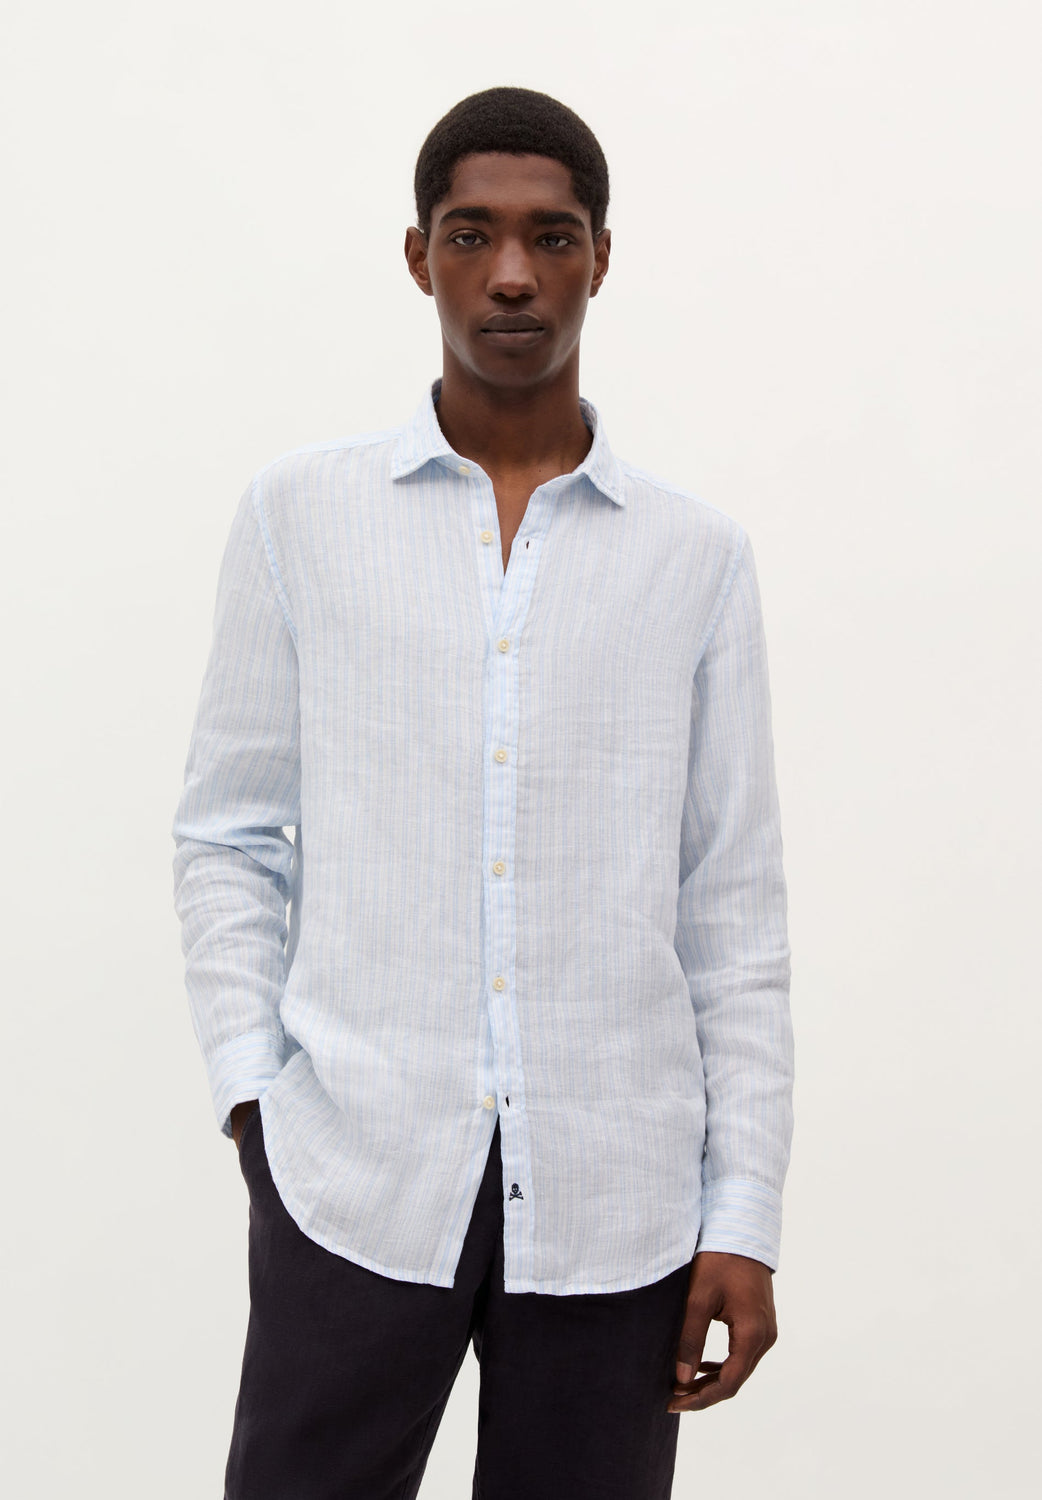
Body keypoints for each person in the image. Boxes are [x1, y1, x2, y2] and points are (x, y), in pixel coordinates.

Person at [172, 85, 794, 1500]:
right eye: (472, 235)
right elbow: (228, 832)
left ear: (599, 258)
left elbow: (733, 912)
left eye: (550, 237)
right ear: (420, 257)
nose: (512, 273)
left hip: (617, 1201)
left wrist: (743, 1212)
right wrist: (254, 1098)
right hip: (352, 1175)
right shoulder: (299, 517)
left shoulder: (694, 560)